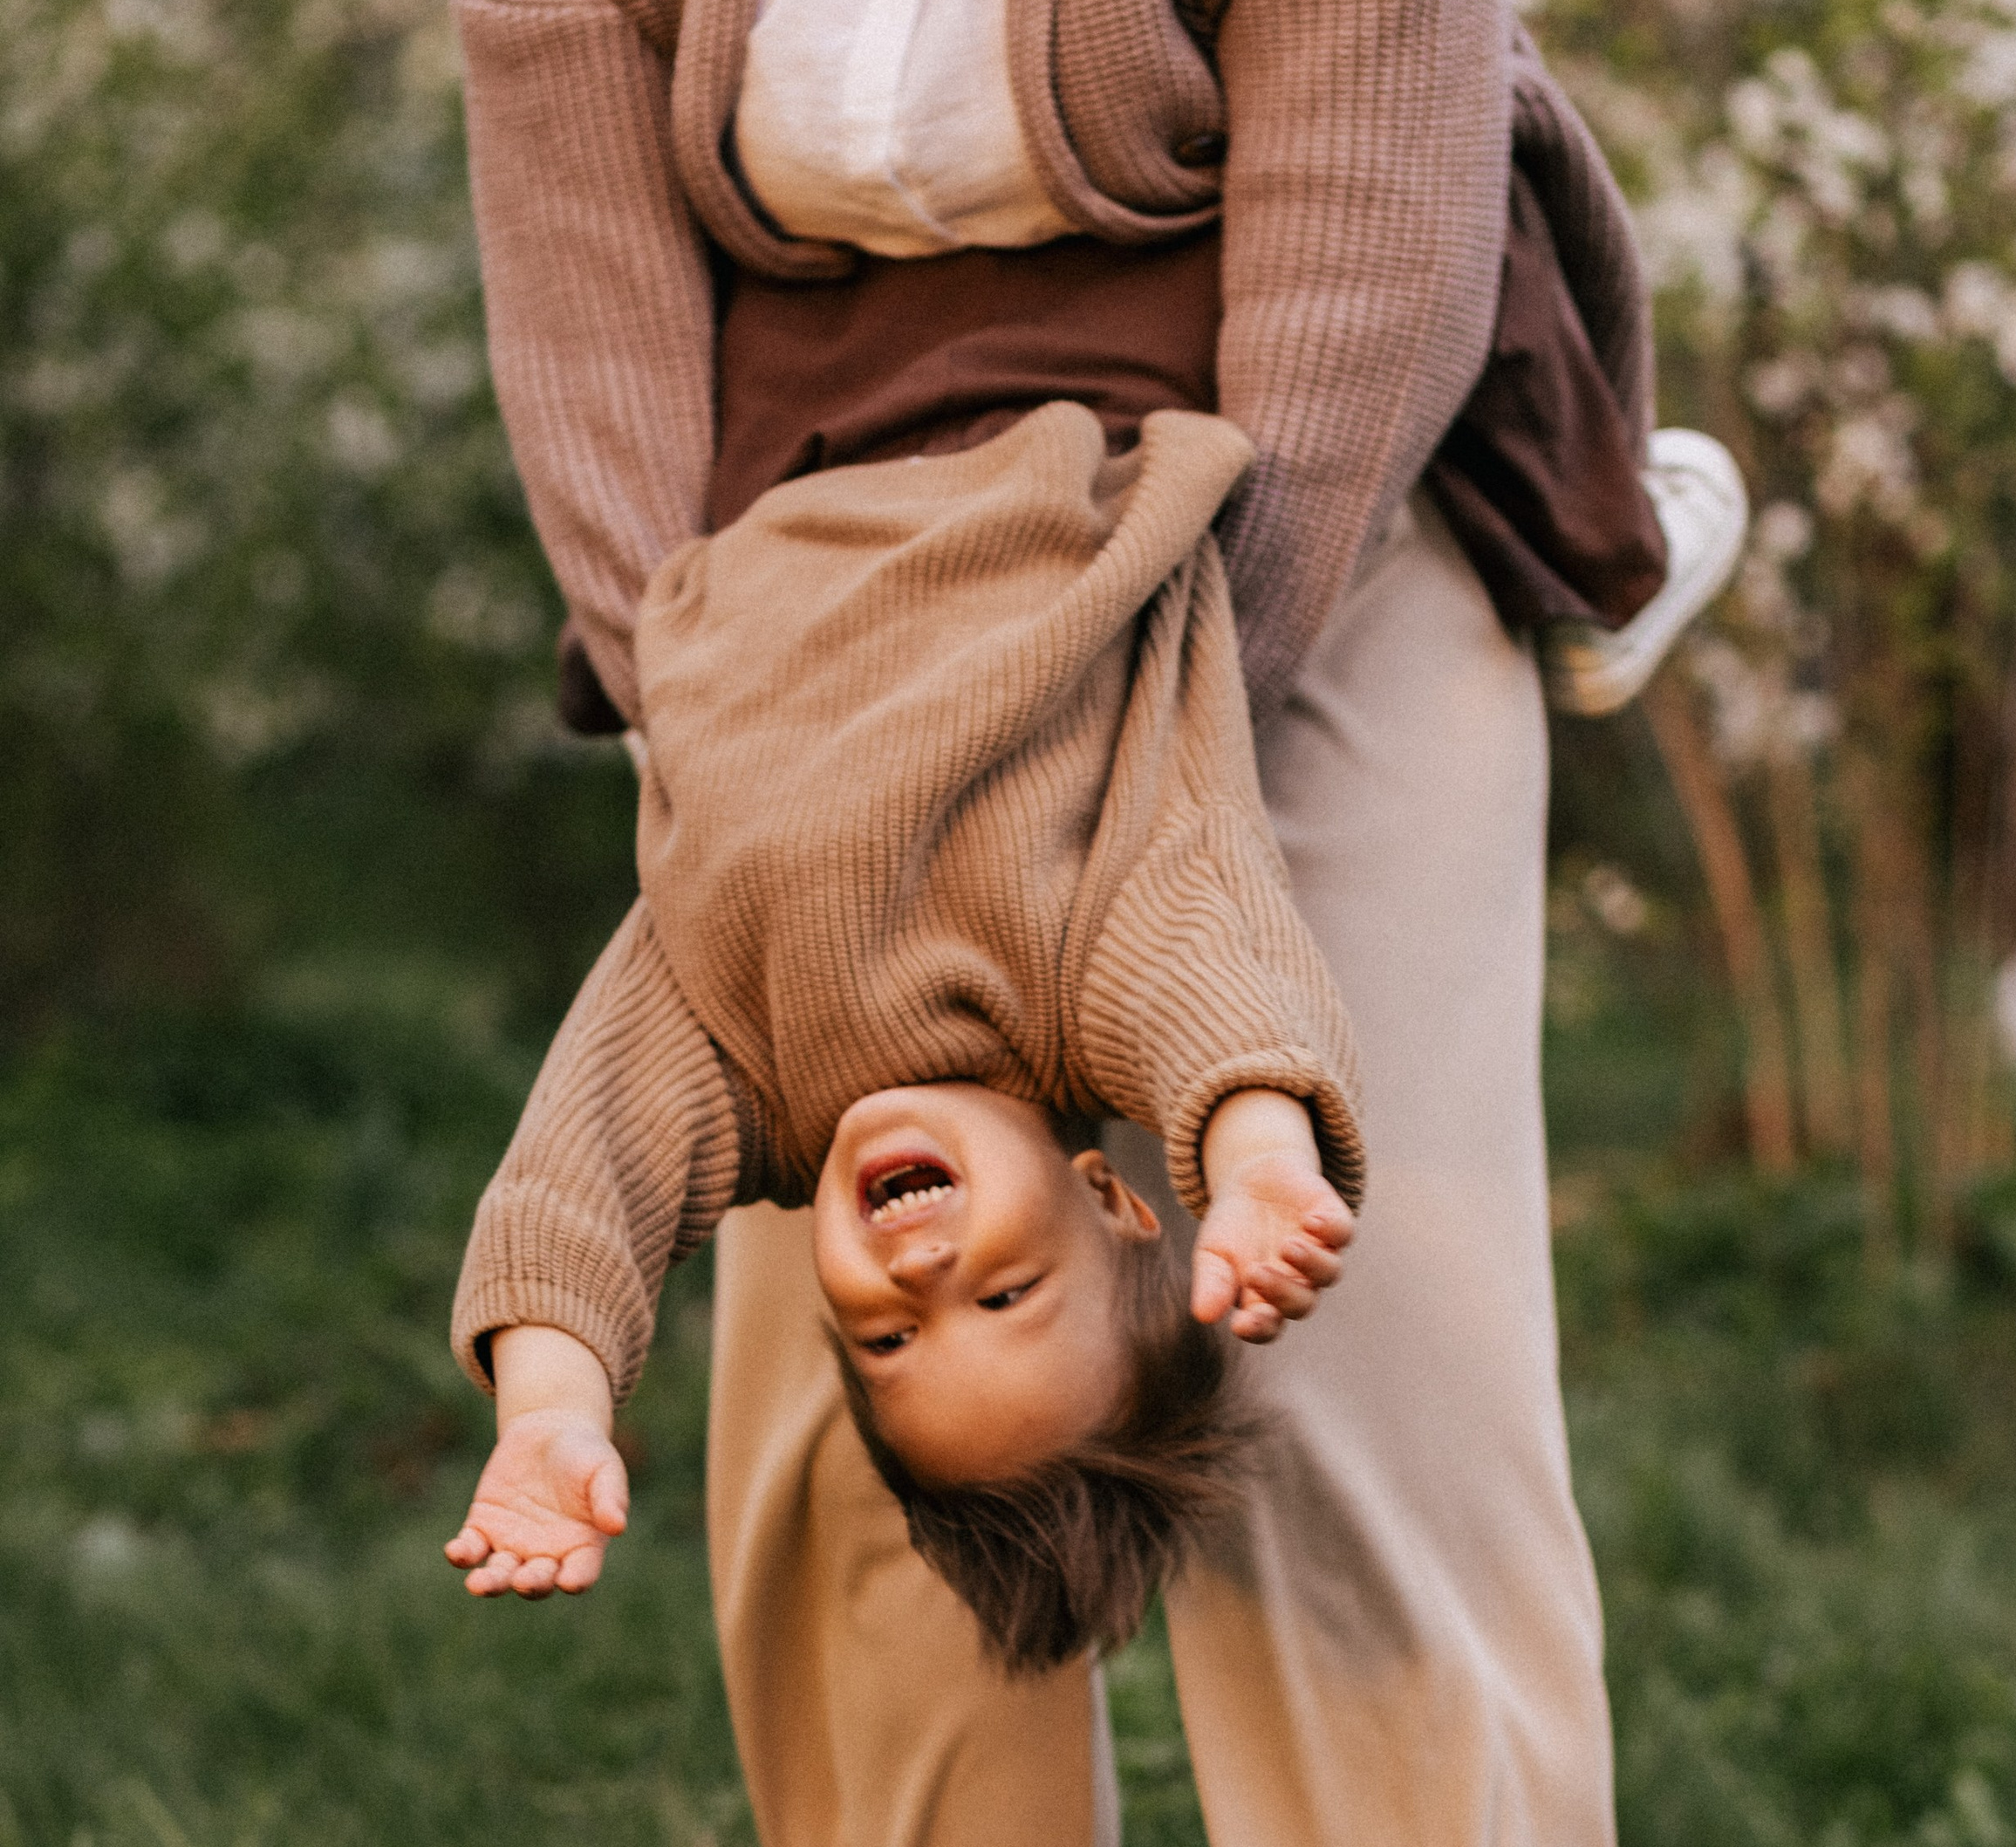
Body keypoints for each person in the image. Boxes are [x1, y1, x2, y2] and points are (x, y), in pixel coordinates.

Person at [452, 0, 1735, 1847]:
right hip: (827, 603)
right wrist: (743, 767)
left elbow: (1367, 268)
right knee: (847, 1419)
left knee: (1355, 1365)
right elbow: (580, 294)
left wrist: (1109, 800)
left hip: (1281, 536)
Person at [445, 400, 1363, 1665]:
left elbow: (583, 1178)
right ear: (1113, 1197)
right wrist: (1262, 1163)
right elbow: (1214, 973)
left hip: (775, 478)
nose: (925, 1281)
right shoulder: (1075, 983)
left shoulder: (745, 1065)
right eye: (1007, 1292)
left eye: (887, 1341)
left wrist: (553, 1405)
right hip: (1038, 442)